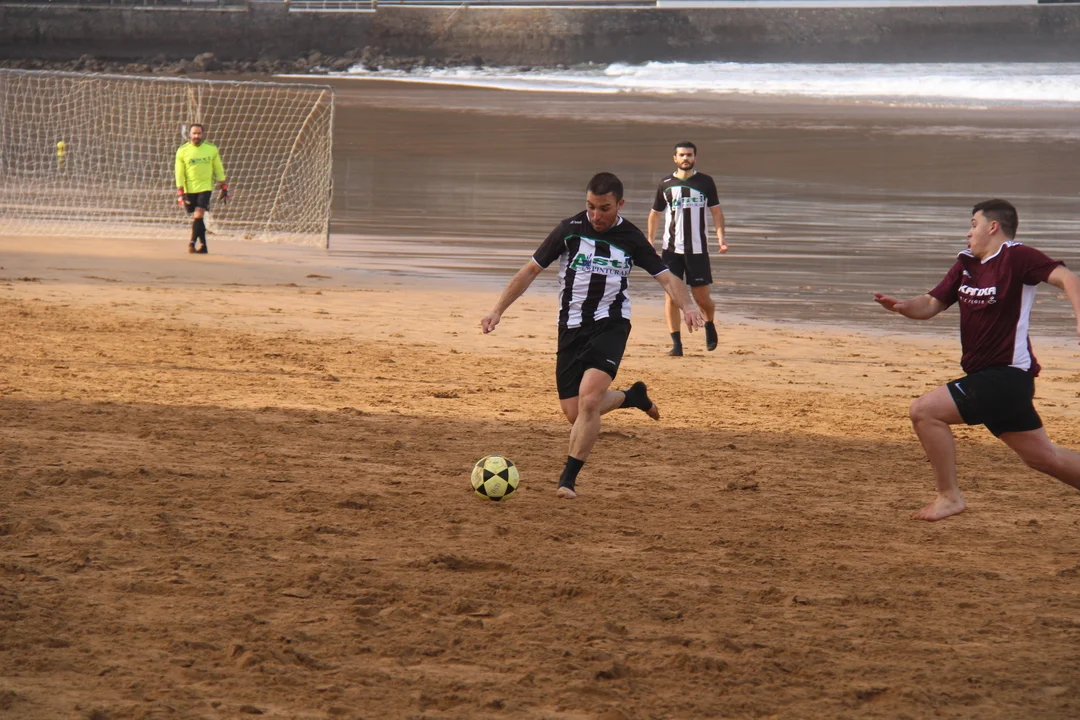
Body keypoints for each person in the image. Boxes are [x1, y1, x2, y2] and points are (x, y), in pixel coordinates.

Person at [481, 172, 705, 499]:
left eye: (604, 208)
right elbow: (529, 271)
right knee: (575, 413)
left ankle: (567, 480)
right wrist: (497, 310)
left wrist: (687, 306)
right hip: (571, 328)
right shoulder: (569, 230)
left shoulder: (631, 237)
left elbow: (667, 278)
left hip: (611, 324)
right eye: (591, 207)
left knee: (589, 399)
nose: (596, 215)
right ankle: (632, 397)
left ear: (620, 204)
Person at [873, 199, 1080, 521]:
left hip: (1006, 377)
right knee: (1044, 458)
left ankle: (949, 497)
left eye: (973, 225)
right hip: (989, 380)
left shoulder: (1017, 256)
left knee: (925, 411)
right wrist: (901, 306)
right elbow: (930, 304)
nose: (968, 233)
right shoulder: (966, 265)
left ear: (993, 226)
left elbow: (1068, 278)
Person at [647, 141, 728, 356]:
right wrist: (650, 241)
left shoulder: (705, 182)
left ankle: (709, 323)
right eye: (682, 155)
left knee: (702, 299)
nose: (686, 158)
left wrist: (721, 239)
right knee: (671, 296)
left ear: (695, 158)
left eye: (689, 155)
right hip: (671, 250)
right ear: (675, 158)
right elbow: (655, 214)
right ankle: (677, 344)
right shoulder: (665, 184)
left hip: (698, 250)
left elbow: (716, 212)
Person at [174, 123, 229, 254]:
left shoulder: (211, 149)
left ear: (203, 134)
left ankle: (192, 243)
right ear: (190, 134)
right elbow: (179, 172)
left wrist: (223, 186)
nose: (196, 136)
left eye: (199, 133)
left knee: (199, 214)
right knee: (197, 218)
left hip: (205, 187)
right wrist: (180, 190)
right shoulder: (182, 150)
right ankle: (203, 246)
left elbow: (218, 168)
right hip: (189, 188)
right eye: (194, 133)